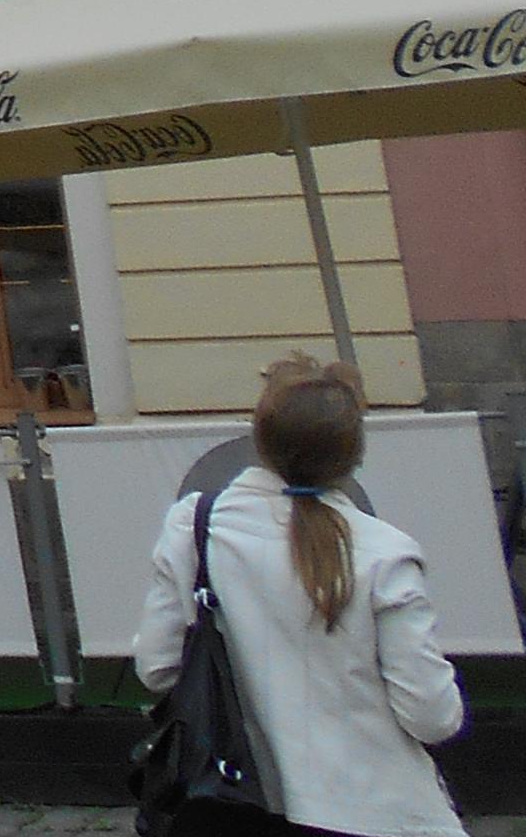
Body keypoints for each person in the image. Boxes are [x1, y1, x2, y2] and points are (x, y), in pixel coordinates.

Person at [131, 357, 470, 837]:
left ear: (259, 438)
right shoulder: (384, 554)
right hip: (378, 809)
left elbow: (156, 667)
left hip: (236, 799)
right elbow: (432, 717)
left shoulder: (195, 528)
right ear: (354, 454)